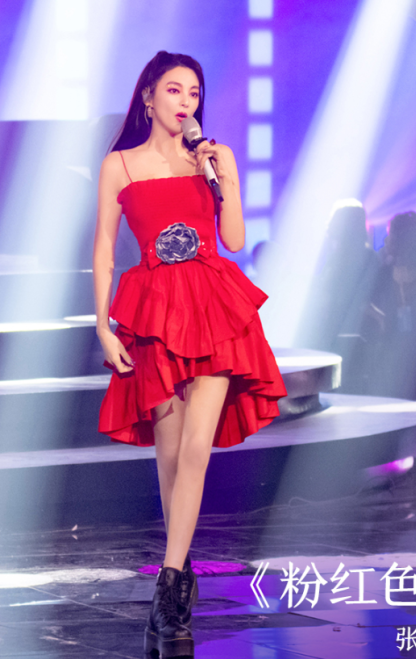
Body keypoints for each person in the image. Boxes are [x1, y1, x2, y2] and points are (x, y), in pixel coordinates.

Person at [92, 51, 286, 658]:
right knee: (172, 454)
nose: (186, 101)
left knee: (197, 449)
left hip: (212, 305)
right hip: (155, 312)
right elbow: (103, 249)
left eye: (195, 92)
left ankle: (170, 585)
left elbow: (234, 240)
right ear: (148, 96)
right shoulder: (120, 165)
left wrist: (227, 177)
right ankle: (179, 570)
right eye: (175, 90)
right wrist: (103, 326)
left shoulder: (210, 160)